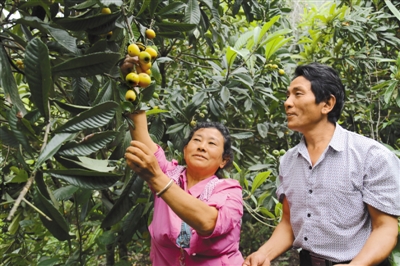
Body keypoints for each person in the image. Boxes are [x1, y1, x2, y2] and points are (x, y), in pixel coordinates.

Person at [243, 63, 400, 266]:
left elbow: (385, 228)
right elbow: (289, 224)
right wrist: (263, 254)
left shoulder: (371, 156)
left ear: (327, 104)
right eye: (288, 95)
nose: (287, 103)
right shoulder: (288, 161)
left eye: (298, 94)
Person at [124, 110, 244, 265]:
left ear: (224, 160)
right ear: (185, 150)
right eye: (197, 140)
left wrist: (157, 179)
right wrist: (134, 100)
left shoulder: (230, 190)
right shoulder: (168, 174)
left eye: (212, 143)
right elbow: (144, 147)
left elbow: (208, 222)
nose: (202, 147)